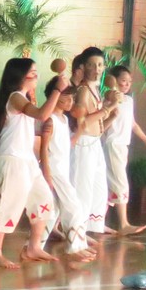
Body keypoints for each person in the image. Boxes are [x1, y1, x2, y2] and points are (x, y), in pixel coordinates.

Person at [0, 58, 63, 269]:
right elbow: (42, 114)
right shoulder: (15, 97)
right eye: (33, 72)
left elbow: (37, 121)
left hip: (27, 160)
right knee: (9, 204)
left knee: (44, 199)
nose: (36, 75)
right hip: (12, 158)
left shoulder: (24, 98)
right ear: (20, 76)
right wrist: (57, 90)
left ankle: (33, 247)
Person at [38, 78, 96, 263]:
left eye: (72, 97)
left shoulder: (63, 119)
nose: (71, 101)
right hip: (54, 170)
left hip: (61, 170)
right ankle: (74, 247)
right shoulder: (51, 121)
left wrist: (80, 131)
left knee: (54, 210)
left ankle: (34, 246)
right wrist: (47, 173)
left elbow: (66, 145)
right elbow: (44, 149)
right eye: (67, 97)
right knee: (74, 206)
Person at [102, 65, 146, 235]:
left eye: (129, 81)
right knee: (120, 183)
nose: (127, 84)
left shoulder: (128, 101)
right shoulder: (107, 101)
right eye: (123, 80)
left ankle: (98, 221)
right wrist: (112, 101)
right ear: (114, 81)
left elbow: (133, 125)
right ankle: (123, 223)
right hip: (112, 144)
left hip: (122, 146)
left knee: (111, 183)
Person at [70, 48, 115, 236]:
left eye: (100, 65)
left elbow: (98, 123)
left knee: (99, 188)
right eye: (91, 65)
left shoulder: (94, 90)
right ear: (83, 67)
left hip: (95, 143)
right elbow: (82, 121)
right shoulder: (83, 90)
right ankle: (76, 231)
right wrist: (108, 109)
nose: (96, 69)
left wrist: (112, 113)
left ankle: (90, 228)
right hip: (84, 143)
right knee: (83, 188)